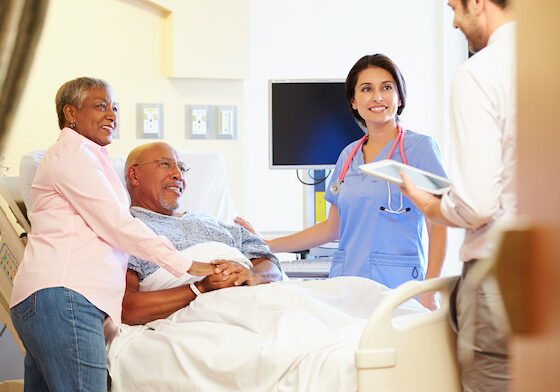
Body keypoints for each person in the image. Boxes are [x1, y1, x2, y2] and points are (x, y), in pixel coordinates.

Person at [9, 77, 232, 391]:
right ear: (70, 113)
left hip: (51, 300)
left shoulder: (87, 158)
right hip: (65, 298)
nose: (112, 115)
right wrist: (185, 265)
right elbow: (117, 224)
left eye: (114, 107)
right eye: (100, 106)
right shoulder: (73, 156)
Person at [237, 54, 447, 310]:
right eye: (367, 89)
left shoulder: (419, 149)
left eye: (387, 87)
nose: (378, 97)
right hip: (346, 284)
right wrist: (266, 244)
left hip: (398, 286)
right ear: (354, 102)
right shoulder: (348, 156)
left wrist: (430, 288)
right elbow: (330, 229)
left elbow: (438, 224)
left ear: (399, 98)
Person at [399, 1, 515, 390]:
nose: (452, 22)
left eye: (454, 7)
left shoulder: (482, 73)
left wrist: (431, 206)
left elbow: (478, 203)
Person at [121, 142, 283, 325]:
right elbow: (128, 309)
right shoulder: (128, 229)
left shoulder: (214, 223)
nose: (178, 175)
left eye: (182, 168)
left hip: (256, 302)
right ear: (134, 175)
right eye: (165, 164)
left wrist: (252, 275)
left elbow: (271, 265)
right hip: (204, 316)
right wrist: (200, 288)